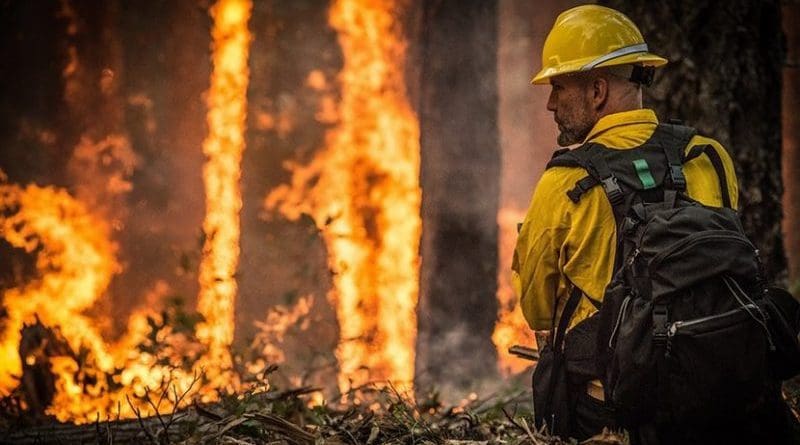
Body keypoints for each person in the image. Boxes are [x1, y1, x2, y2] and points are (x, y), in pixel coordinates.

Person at [511, 4, 796, 443]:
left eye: (558, 86)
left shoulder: (564, 183)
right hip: (724, 391)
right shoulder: (707, 156)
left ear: (598, 90)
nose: (550, 103)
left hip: (616, 410)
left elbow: (539, 312)